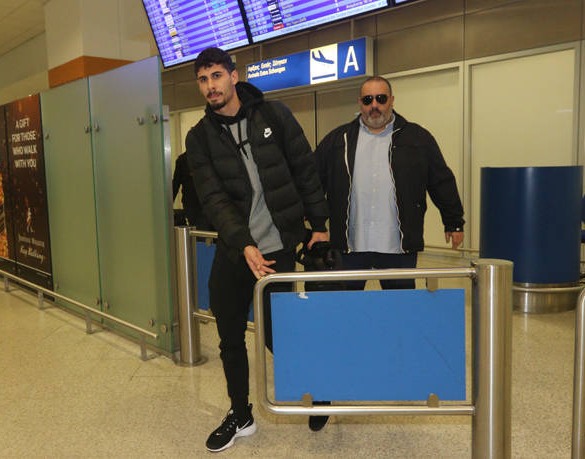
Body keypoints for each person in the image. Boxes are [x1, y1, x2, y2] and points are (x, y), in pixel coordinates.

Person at [185, 47, 329, 452]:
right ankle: (240, 413)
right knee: (229, 334)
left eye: (216, 75)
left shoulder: (274, 115)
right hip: (235, 251)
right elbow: (213, 198)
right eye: (203, 80)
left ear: (234, 76)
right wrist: (244, 243)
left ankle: (317, 392)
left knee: (280, 333)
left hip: (278, 248)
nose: (210, 86)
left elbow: (304, 170)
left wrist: (319, 225)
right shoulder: (199, 138)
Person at [313, 75, 465, 430]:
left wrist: (453, 220)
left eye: (381, 98)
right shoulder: (338, 140)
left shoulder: (417, 138)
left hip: (398, 248)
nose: (374, 106)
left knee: (402, 319)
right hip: (349, 247)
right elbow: (312, 182)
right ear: (360, 103)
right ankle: (327, 391)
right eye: (368, 100)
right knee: (340, 320)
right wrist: (315, 224)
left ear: (392, 100)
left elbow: (440, 179)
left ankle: (403, 378)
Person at [171, 152, 212, 230]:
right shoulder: (183, 160)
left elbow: (175, 184)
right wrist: (168, 206)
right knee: (201, 230)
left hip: (206, 202)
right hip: (195, 205)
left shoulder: (207, 156)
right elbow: (175, 185)